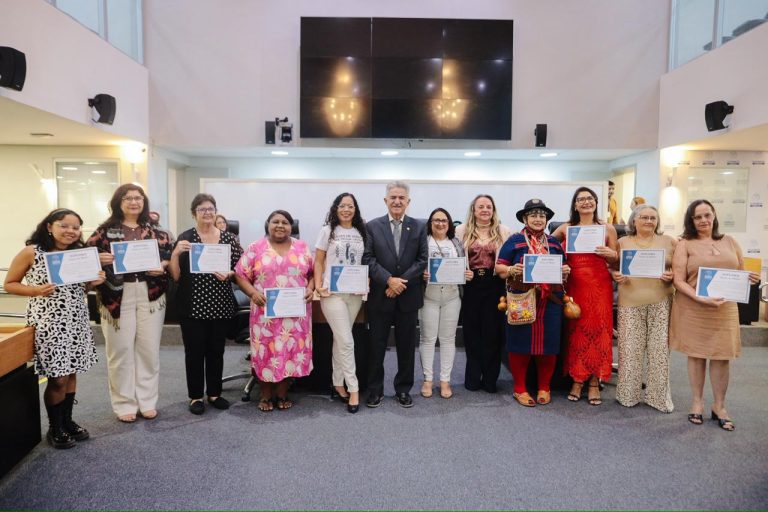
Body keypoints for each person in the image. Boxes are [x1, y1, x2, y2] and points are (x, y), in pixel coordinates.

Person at [4, 209, 105, 449]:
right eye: (64, 225)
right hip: (49, 324)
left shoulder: (78, 254)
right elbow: (9, 284)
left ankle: (67, 421)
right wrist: (35, 290)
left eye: (76, 227)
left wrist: (93, 283)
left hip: (76, 320)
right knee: (58, 377)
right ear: (49, 226)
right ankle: (55, 427)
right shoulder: (32, 252)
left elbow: (78, 289)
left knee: (71, 373)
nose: (71, 231)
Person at [669, 199, 760, 430]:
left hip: (724, 309)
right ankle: (697, 403)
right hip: (694, 307)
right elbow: (678, 280)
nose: (703, 220)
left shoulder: (730, 241)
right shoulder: (685, 244)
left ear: (714, 215)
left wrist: (750, 278)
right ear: (691, 220)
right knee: (696, 355)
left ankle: (719, 406)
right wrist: (700, 298)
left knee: (721, 356)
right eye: (697, 217)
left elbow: (740, 273)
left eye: (707, 215)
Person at [86, 184, 172, 423]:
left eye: (138, 198)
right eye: (128, 198)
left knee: (148, 350)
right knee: (120, 350)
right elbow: (84, 259)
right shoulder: (103, 231)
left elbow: (169, 255)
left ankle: (147, 401)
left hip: (150, 293)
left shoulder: (157, 231)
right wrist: (98, 259)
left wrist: (163, 266)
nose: (134, 202)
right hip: (116, 295)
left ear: (144, 202)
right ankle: (124, 403)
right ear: (118, 202)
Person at [168, 194, 243, 415]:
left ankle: (214, 393)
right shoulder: (186, 238)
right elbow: (176, 276)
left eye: (211, 209)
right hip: (192, 305)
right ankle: (195, 396)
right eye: (202, 209)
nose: (207, 213)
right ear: (194, 213)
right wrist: (175, 253)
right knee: (194, 352)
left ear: (215, 211)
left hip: (220, 304)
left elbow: (241, 269)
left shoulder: (229, 239)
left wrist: (230, 273)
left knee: (216, 351)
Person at [234, 210, 314, 411]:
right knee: (266, 352)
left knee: (290, 351)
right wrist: (252, 293)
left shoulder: (302, 247)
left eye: (285, 222)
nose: (280, 225)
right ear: (268, 225)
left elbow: (313, 273)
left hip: (295, 314)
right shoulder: (256, 248)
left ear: (291, 226)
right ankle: (265, 395)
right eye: (275, 222)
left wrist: (311, 288)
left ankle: (282, 394)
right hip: (264, 313)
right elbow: (240, 274)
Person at [496, 199, 569, 407]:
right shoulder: (514, 241)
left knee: (549, 345)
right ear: (525, 219)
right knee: (520, 344)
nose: (538, 219)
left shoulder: (553, 243)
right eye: (533, 215)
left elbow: (564, 269)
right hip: (522, 299)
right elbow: (499, 268)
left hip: (550, 301)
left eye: (542, 216)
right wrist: (511, 270)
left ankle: (544, 387)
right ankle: (519, 388)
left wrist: (565, 271)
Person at [363, 181, 428, 408]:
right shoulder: (372, 226)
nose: (397, 201)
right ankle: (375, 390)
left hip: (408, 297)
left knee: (407, 347)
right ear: (386, 200)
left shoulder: (419, 227)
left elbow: (422, 260)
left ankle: (403, 389)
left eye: (402, 198)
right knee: (376, 346)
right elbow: (368, 258)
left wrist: (400, 282)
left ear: (408, 201)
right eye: (393, 197)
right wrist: (389, 280)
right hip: (380, 295)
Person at [553, 187, 618, 406]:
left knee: (598, 330)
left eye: (590, 198)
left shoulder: (607, 228)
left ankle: (593, 381)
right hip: (575, 283)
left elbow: (616, 261)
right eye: (581, 199)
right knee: (576, 329)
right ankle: (577, 379)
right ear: (575, 205)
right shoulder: (566, 228)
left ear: (596, 202)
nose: (586, 202)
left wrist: (612, 254)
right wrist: (558, 265)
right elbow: (548, 246)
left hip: (600, 285)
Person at [611, 204, 676, 413]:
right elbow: (612, 267)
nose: (649, 221)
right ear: (634, 220)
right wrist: (615, 275)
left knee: (659, 352)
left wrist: (672, 275)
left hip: (661, 302)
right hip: (629, 303)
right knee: (629, 351)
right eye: (644, 217)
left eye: (653, 218)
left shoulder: (669, 241)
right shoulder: (622, 242)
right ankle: (627, 396)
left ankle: (658, 398)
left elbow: (680, 269)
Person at [314, 193, 367, 413]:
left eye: (350, 206)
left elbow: (366, 261)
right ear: (336, 208)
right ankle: (354, 389)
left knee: (340, 338)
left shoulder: (362, 231)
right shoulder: (328, 230)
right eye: (342, 206)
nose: (346, 209)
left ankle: (337, 383)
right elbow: (318, 261)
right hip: (332, 293)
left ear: (355, 209)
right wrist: (318, 285)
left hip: (354, 293)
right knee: (346, 341)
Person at [455, 194, 512, 393]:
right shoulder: (461, 230)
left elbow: (509, 259)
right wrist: (462, 273)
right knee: (472, 333)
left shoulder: (504, 231)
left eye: (489, 206)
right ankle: (472, 378)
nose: (485, 210)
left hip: (495, 285)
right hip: (471, 286)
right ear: (474, 210)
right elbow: (454, 258)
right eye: (481, 206)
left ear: (493, 210)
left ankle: (490, 380)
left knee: (492, 333)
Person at [419, 208, 473, 400]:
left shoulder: (456, 243)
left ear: (449, 223)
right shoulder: (423, 242)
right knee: (428, 339)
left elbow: (464, 268)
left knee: (448, 339)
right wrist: (421, 275)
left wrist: (468, 274)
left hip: (451, 296)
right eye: (436, 220)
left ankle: (445, 380)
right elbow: (416, 265)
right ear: (430, 223)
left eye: (444, 220)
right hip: (429, 296)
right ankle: (428, 379)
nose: (440, 223)